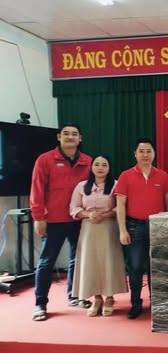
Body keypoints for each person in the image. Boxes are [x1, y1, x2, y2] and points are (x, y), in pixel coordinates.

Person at [30, 123, 92, 322]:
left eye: (74, 134)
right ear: (59, 137)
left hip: (78, 219)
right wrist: (39, 217)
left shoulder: (88, 161)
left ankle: (74, 295)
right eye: (66, 133)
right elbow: (37, 190)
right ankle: (40, 304)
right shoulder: (45, 159)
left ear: (80, 138)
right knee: (46, 262)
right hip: (53, 220)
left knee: (77, 259)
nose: (70, 137)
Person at [115, 138, 168, 319]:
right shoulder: (125, 176)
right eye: (142, 151)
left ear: (154, 154)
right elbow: (120, 204)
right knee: (135, 267)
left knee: (157, 266)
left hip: (158, 227)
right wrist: (122, 230)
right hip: (135, 227)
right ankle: (136, 303)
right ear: (135, 154)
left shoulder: (163, 176)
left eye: (149, 151)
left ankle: (158, 303)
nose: (145, 155)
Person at [70, 155, 127, 317]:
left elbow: (121, 207)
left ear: (109, 168)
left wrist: (106, 214)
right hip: (88, 229)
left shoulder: (116, 185)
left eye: (104, 165)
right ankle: (97, 298)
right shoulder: (81, 186)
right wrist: (88, 214)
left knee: (109, 261)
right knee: (91, 262)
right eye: (97, 164)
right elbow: (73, 208)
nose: (100, 168)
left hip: (109, 228)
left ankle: (109, 298)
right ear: (91, 167)